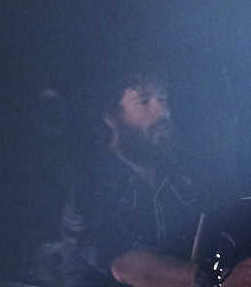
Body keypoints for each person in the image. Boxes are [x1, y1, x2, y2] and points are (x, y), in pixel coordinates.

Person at [60, 73, 251, 287]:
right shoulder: (91, 190)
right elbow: (131, 268)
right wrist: (218, 278)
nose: (163, 112)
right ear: (109, 115)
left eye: (163, 99)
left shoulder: (183, 180)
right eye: (144, 102)